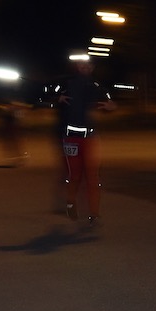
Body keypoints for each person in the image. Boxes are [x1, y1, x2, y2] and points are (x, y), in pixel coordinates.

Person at [46, 57, 115, 226]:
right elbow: (48, 93)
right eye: (81, 64)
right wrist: (57, 99)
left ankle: (94, 213)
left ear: (92, 67)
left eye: (88, 65)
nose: (84, 67)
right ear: (77, 66)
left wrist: (111, 106)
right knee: (75, 175)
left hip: (91, 137)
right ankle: (70, 202)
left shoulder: (97, 86)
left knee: (93, 176)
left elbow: (111, 102)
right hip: (70, 137)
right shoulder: (66, 83)